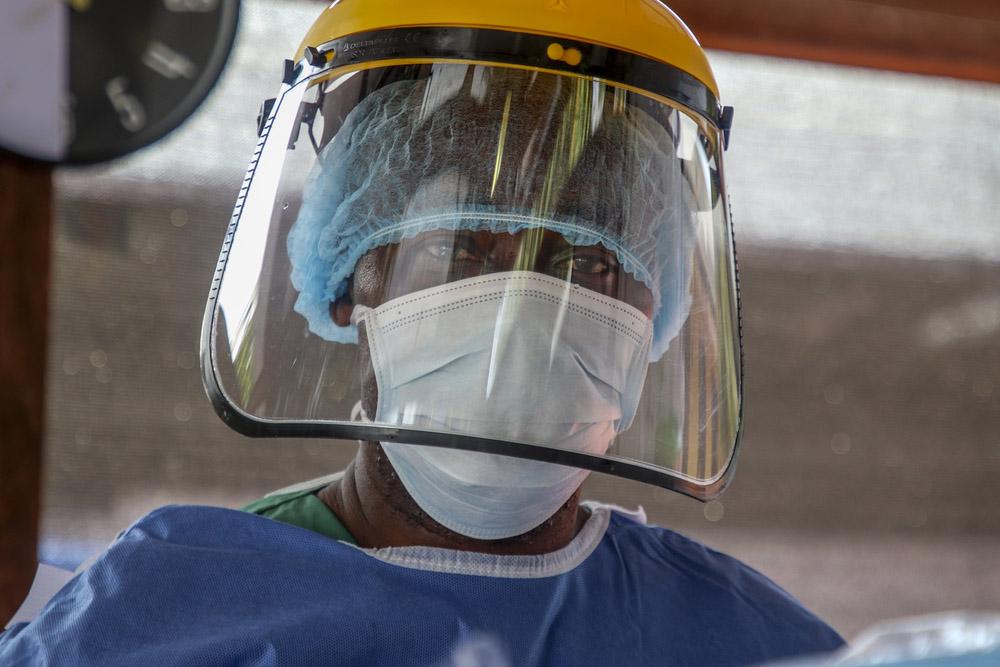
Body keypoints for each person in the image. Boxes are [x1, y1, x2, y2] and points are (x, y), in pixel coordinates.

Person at [1, 2, 846, 664]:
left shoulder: (752, 644)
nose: (525, 310)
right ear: (350, 282)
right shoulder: (160, 616)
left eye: (586, 261)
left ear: (651, 312)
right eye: (463, 246)